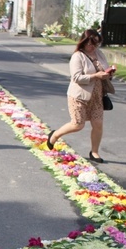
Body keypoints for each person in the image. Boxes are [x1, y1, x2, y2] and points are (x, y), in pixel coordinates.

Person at [46, 28, 115, 163]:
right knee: (77, 124)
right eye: (90, 43)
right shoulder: (78, 56)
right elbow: (76, 77)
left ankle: (94, 152)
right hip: (79, 95)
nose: (92, 46)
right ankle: (54, 135)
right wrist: (95, 76)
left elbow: (103, 70)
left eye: (95, 44)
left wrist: (109, 74)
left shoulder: (99, 54)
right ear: (83, 42)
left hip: (97, 96)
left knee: (98, 124)